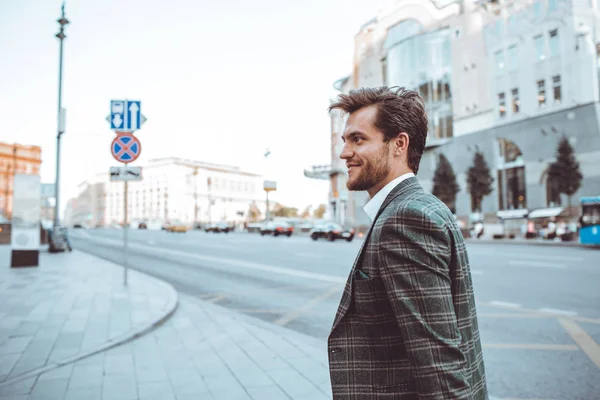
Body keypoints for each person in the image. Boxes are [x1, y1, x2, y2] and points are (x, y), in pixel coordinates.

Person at [327, 87, 488, 399]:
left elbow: (440, 366)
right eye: (345, 140)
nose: (344, 153)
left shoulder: (405, 219)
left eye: (358, 139)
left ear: (399, 144)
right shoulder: (422, 206)